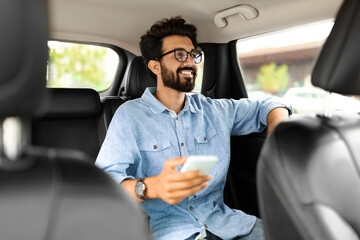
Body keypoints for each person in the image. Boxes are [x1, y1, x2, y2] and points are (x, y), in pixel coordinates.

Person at [96, 16, 292, 240]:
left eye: (194, 55)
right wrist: (150, 187)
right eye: (180, 54)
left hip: (230, 225)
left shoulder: (215, 110)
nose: (190, 62)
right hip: (171, 232)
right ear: (155, 65)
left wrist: (278, 138)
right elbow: (104, 184)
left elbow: (270, 105)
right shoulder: (130, 116)